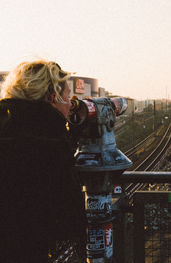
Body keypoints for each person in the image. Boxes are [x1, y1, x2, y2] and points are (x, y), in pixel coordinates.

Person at [0, 60, 86, 262]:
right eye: (67, 99)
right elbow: (69, 219)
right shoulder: (49, 144)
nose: (69, 107)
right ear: (52, 98)